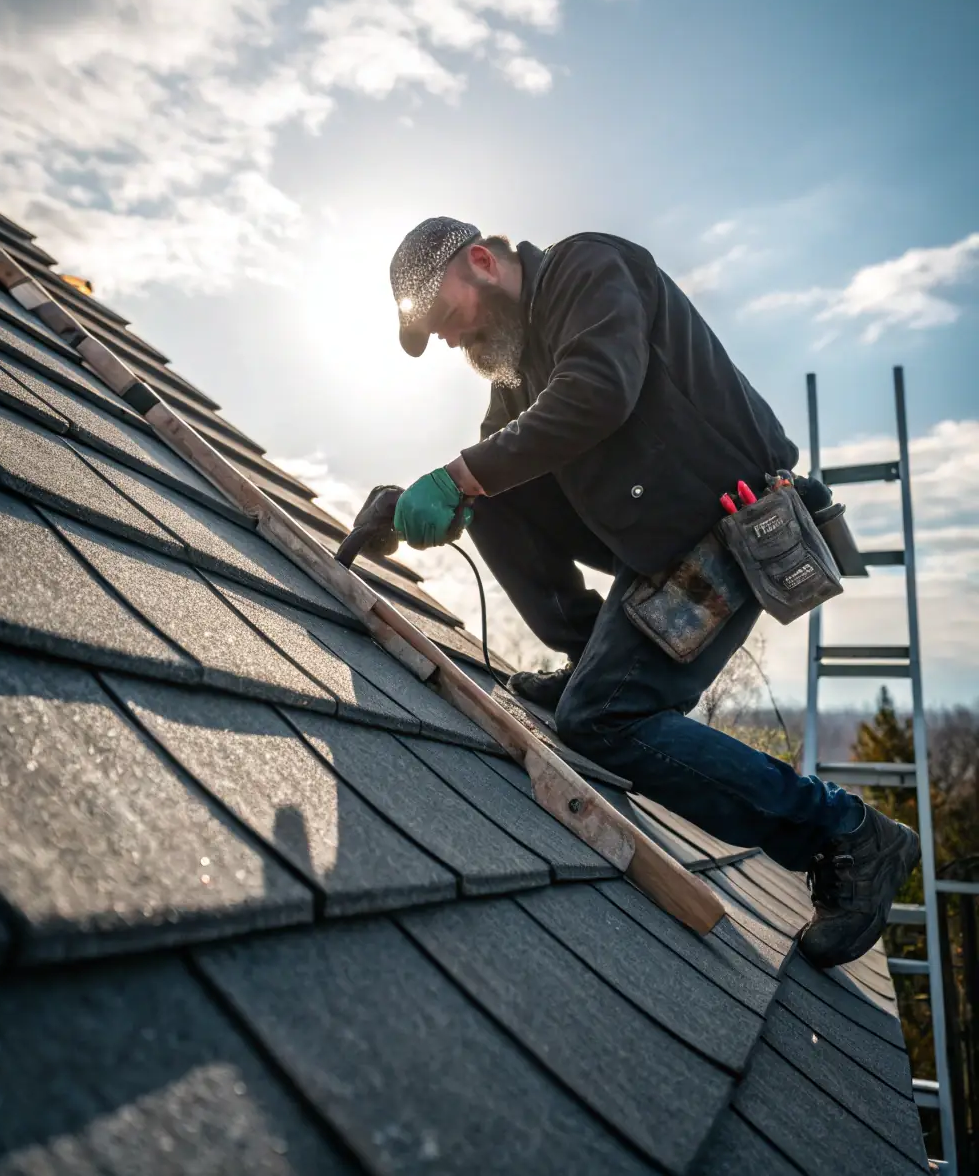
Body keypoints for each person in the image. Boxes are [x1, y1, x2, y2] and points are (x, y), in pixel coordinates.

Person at [383, 216, 920, 968]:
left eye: (446, 317)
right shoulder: (516, 363)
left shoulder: (586, 269)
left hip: (730, 528)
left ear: (482, 262)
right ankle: (590, 649)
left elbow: (600, 389)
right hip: (653, 537)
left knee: (603, 719)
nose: (447, 340)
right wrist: (410, 506)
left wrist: (463, 476)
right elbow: (491, 462)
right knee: (492, 490)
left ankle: (843, 833)